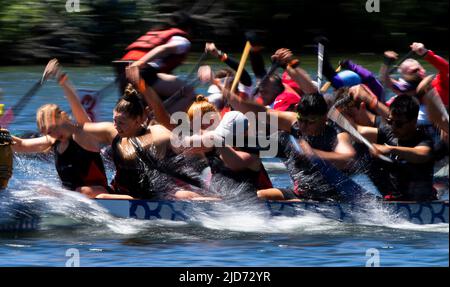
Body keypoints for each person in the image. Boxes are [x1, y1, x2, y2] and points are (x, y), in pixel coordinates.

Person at [10, 59, 109, 196]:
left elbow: (77, 105)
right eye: (48, 133)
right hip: (73, 201)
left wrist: (61, 78)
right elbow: (20, 145)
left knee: (82, 190)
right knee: (38, 188)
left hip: (99, 194)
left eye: (54, 128)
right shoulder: (52, 140)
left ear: (62, 118)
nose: (54, 135)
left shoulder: (82, 134)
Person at [357, 95, 436, 201]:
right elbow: (358, 131)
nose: (393, 127)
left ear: (414, 121)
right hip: (395, 204)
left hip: (422, 204)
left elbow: (423, 154)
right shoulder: (389, 133)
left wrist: (390, 149)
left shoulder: (423, 139)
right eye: (390, 121)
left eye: (399, 123)